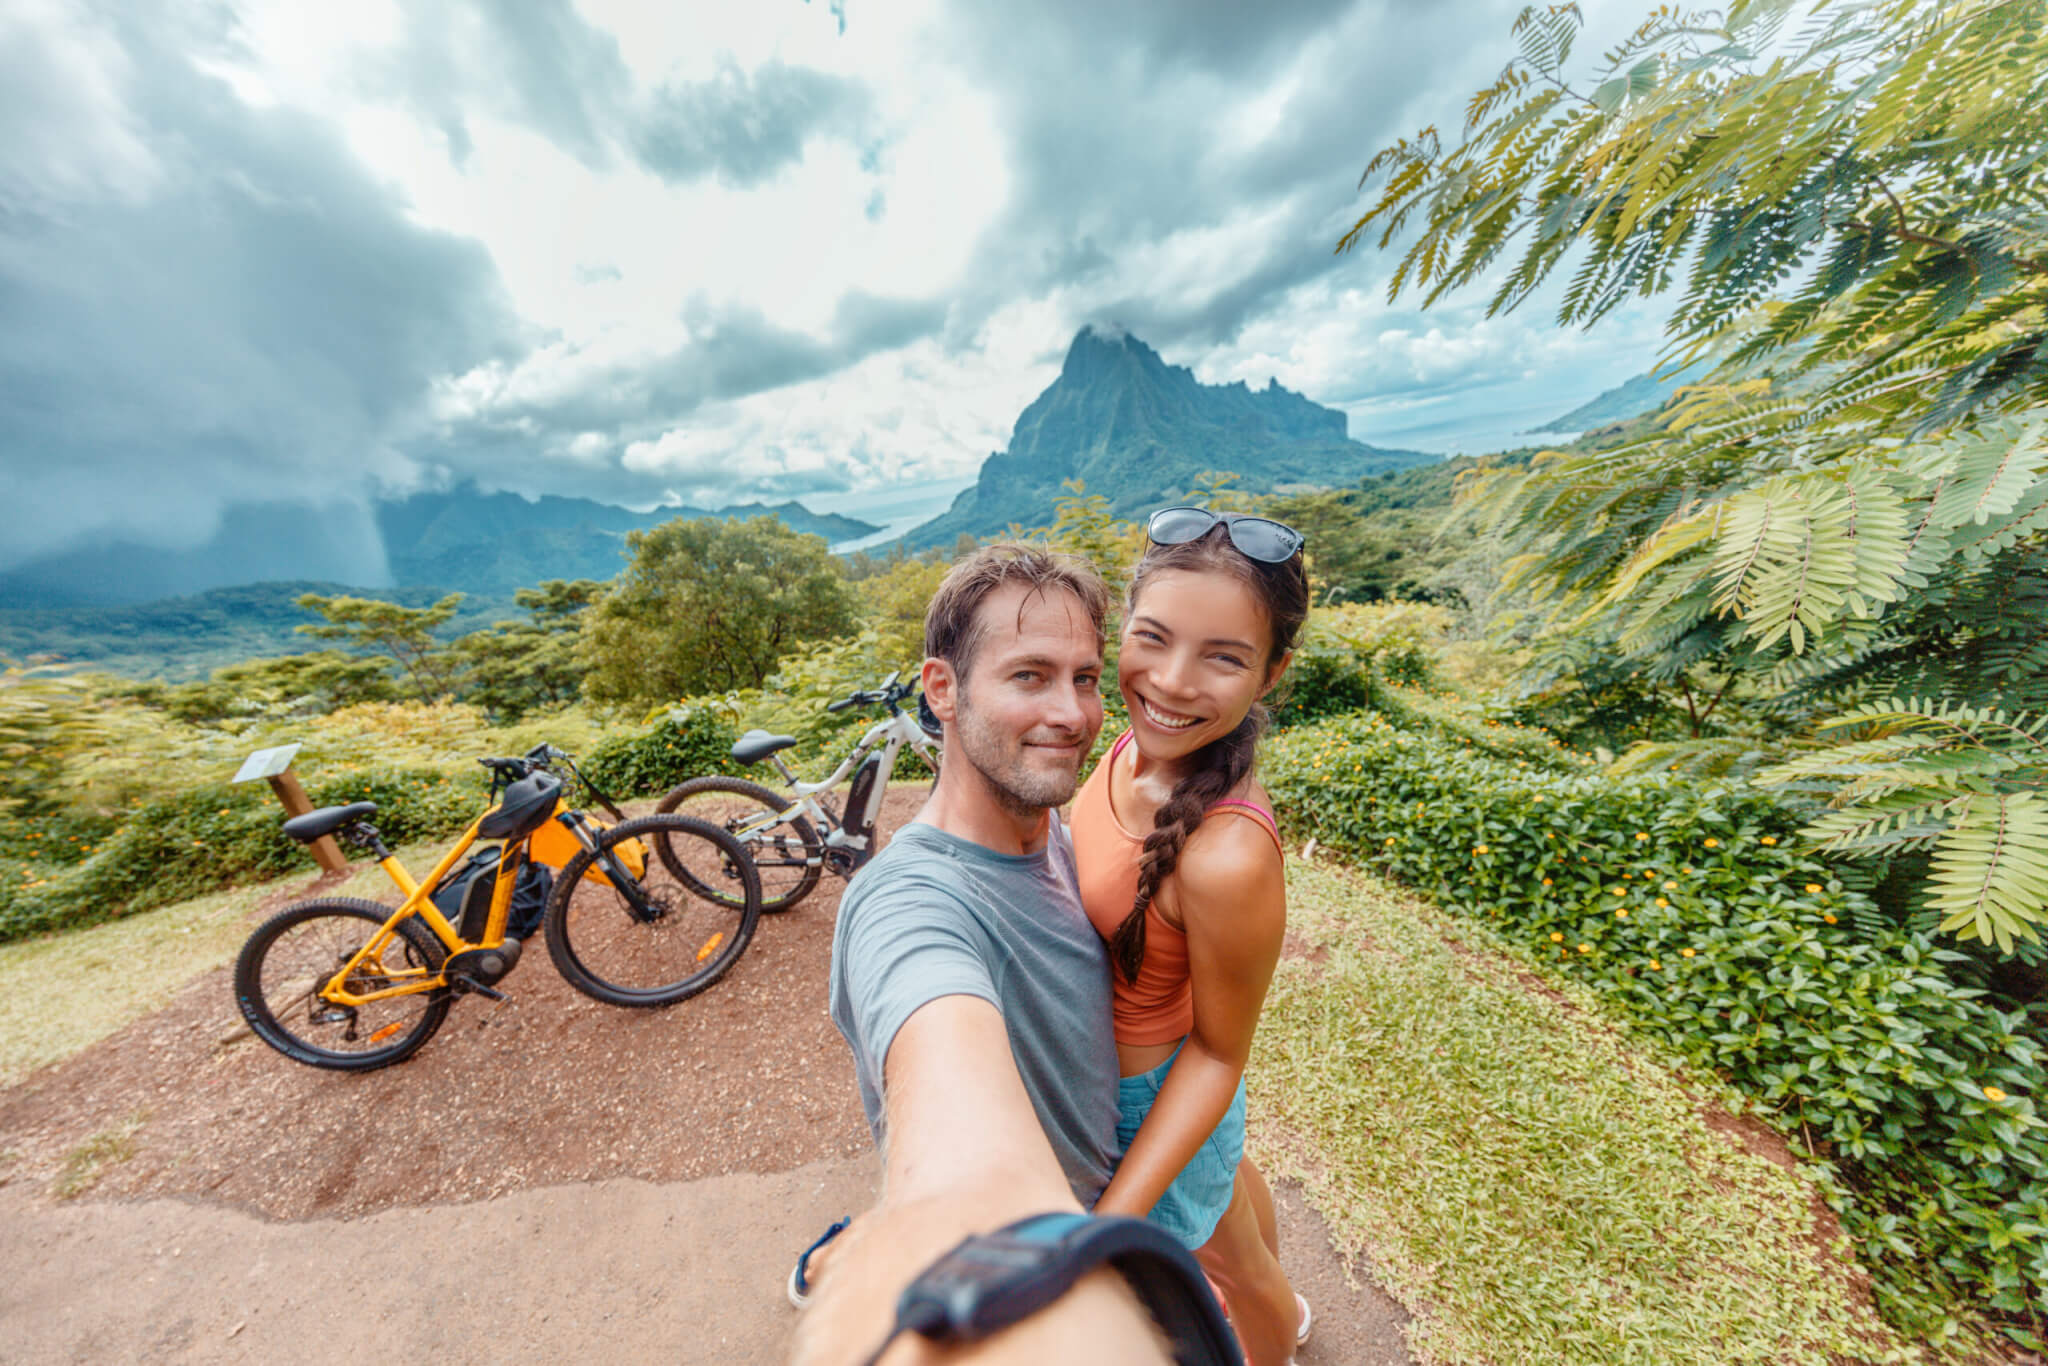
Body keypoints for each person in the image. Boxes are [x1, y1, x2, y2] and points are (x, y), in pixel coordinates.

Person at [790, 544, 1176, 1366]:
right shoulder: (908, 904)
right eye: (1029, 676)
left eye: (1084, 677)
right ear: (942, 690)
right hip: (1058, 1235)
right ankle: (857, 1249)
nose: (1072, 713)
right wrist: (982, 1247)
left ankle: (840, 1250)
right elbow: (966, 1167)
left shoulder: (1065, 840)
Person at [1070, 507, 1310, 1366]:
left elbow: (1218, 1054)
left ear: (1272, 672)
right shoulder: (1123, 745)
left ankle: (1273, 1344)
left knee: (1234, 1270)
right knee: (1236, 1219)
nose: (1171, 683)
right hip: (1150, 1097)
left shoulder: (1227, 856)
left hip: (1155, 1106)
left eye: (1224, 657)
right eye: (1153, 638)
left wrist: (1109, 1223)